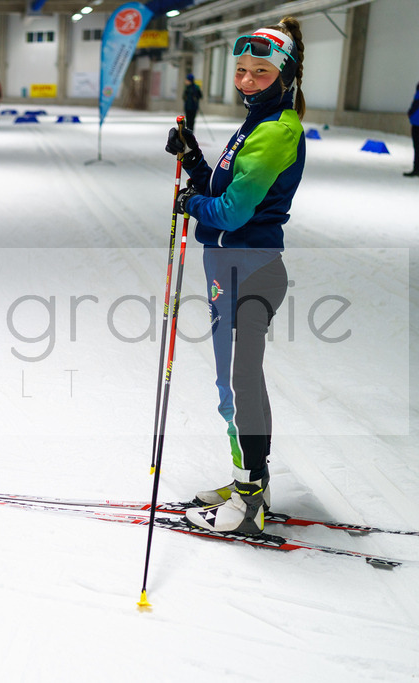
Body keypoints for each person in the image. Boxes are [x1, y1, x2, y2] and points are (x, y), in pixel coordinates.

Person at [163, 18, 306, 534]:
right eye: (241, 71)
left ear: (285, 76)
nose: (247, 81)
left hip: (252, 268)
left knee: (241, 380)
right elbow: (222, 185)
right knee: (230, 382)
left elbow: (233, 211)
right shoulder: (254, 123)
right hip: (228, 267)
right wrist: (193, 157)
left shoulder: (276, 130)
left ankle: (250, 497)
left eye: (260, 72)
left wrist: (194, 203)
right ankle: (248, 478)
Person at [405, 81, 419, 177]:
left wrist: (410, 113)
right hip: (416, 121)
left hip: (417, 122)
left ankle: (416, 169)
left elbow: (416, 104)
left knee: (417, 146)